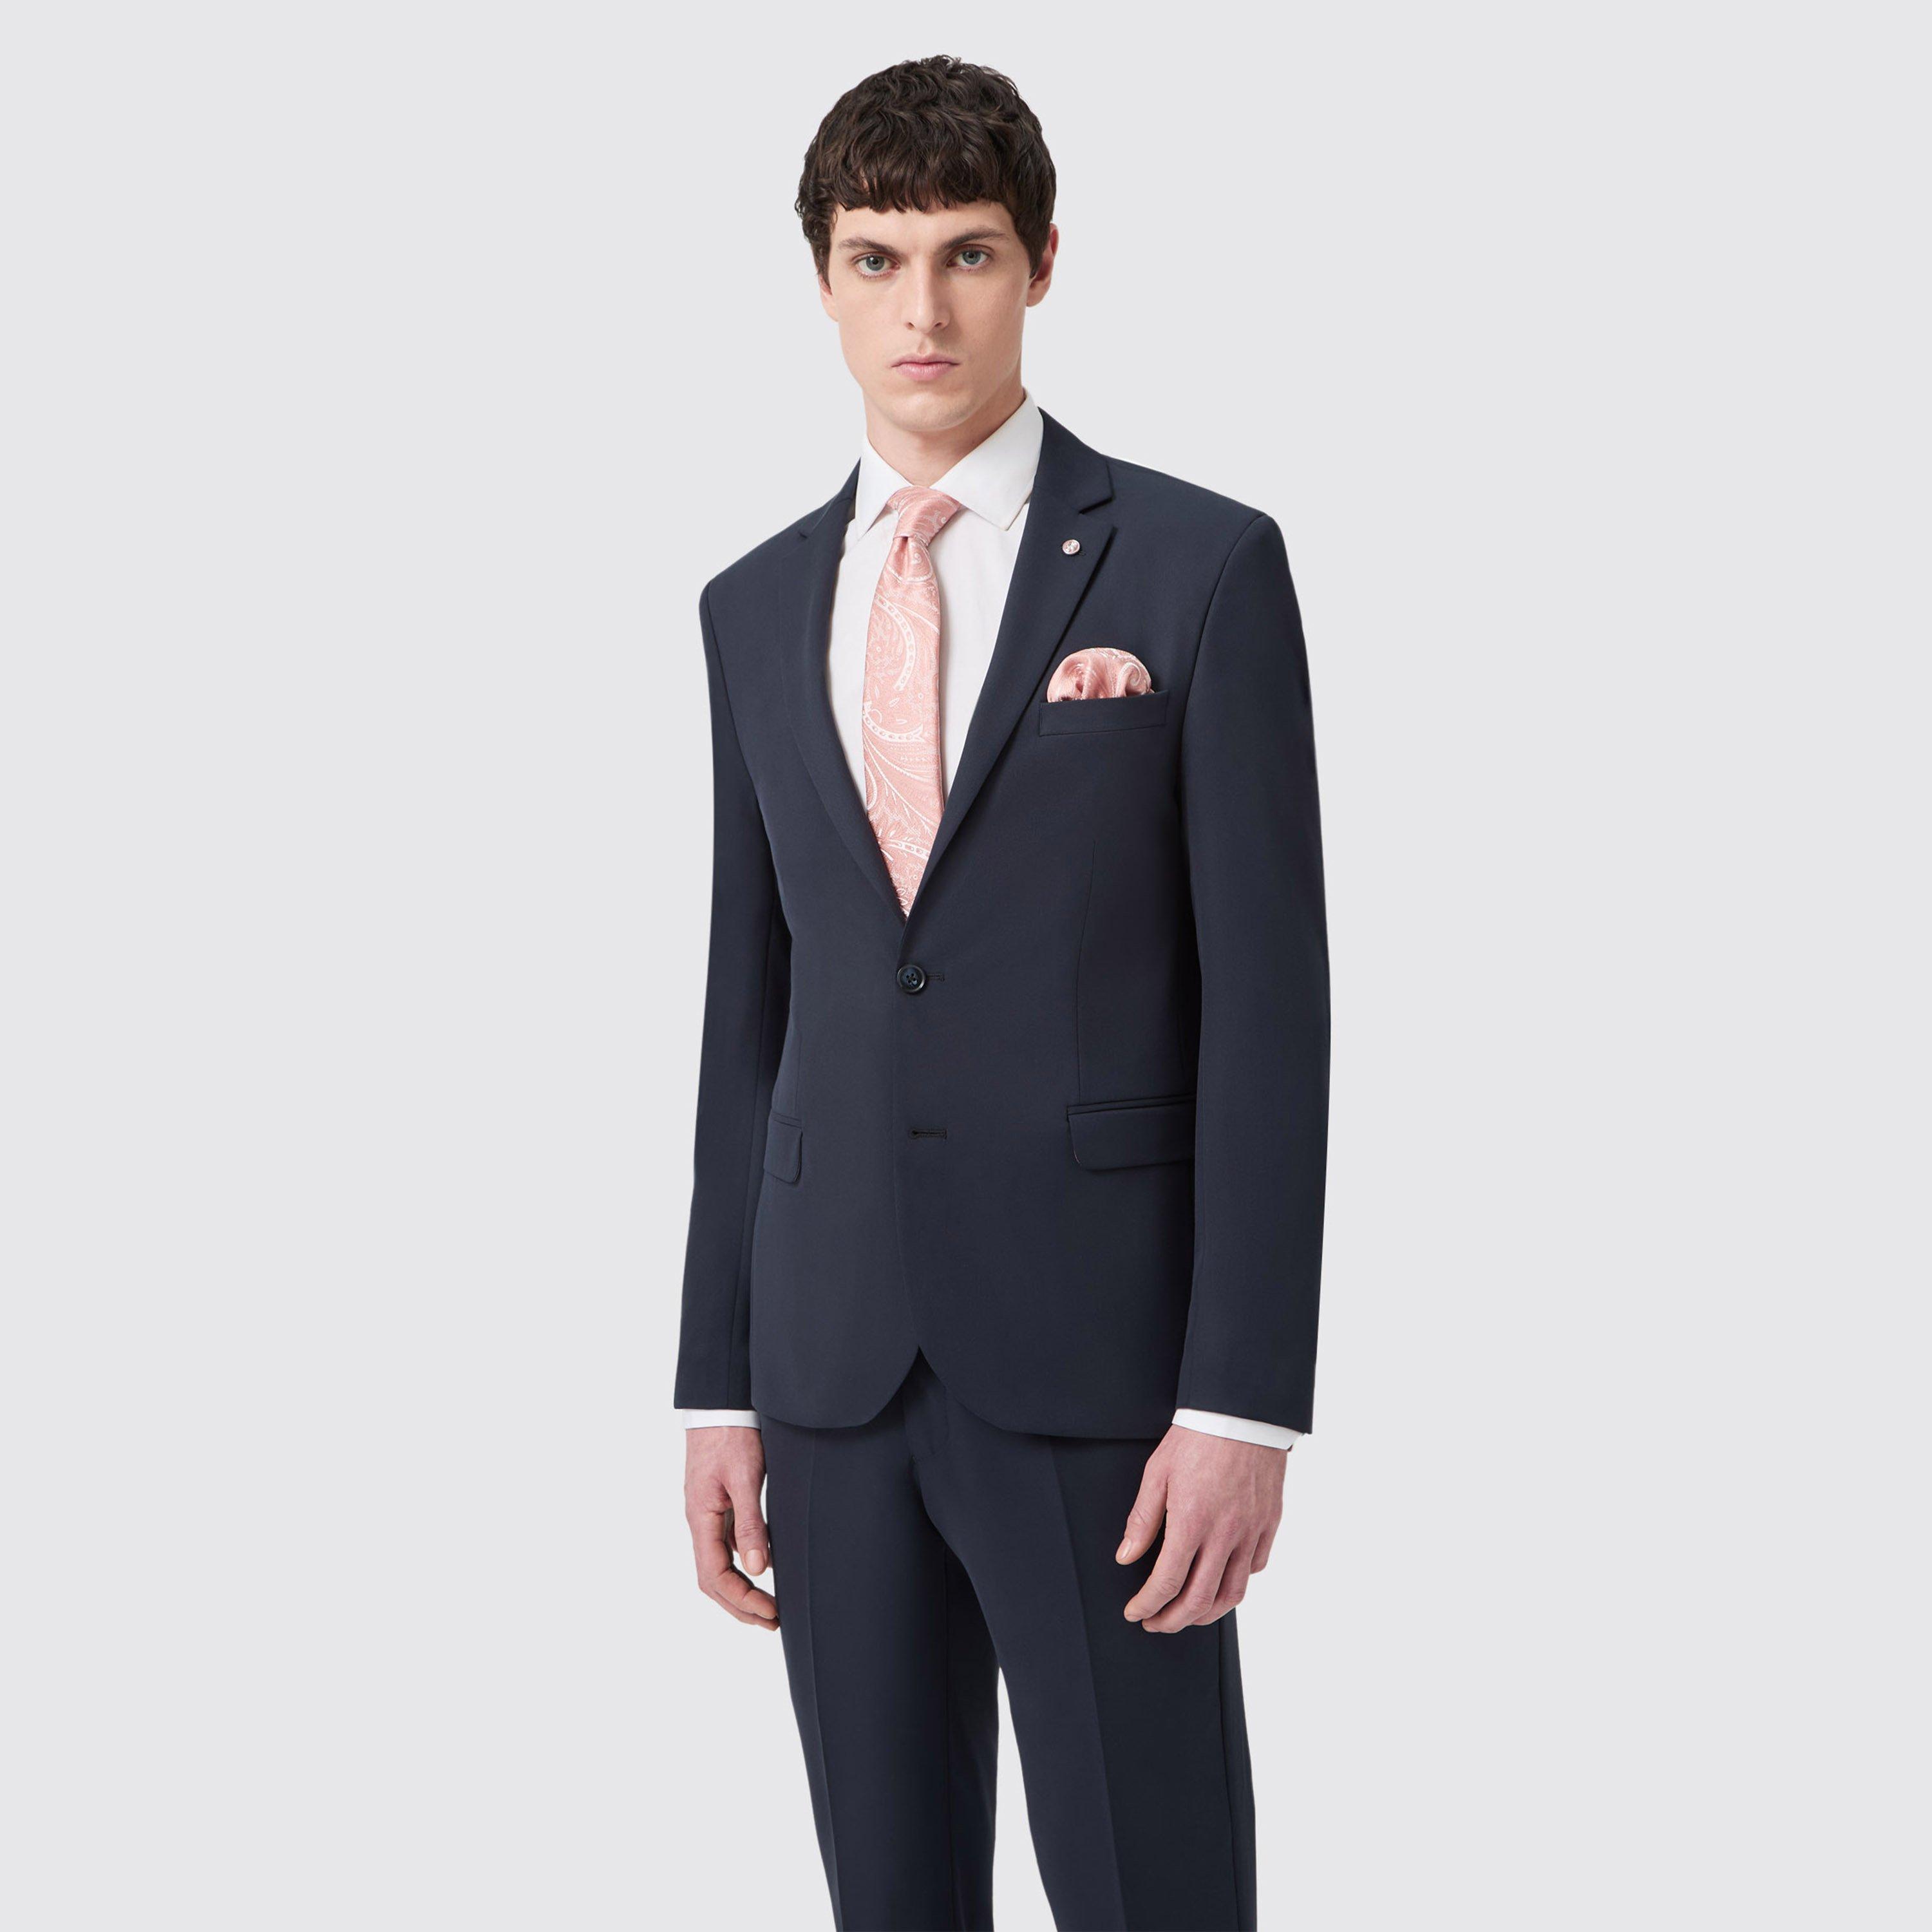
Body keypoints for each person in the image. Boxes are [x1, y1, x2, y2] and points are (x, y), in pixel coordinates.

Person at [674, 54, 1328, 1931]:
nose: (924, 310)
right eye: (876, 260)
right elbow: (749, 1014)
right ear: (822, 279)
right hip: (829, 1369)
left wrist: (1243, 1402)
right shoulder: (748, 605)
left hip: (1103, 1370)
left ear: (1041, 262)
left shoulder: (1202, 567)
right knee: (889, 1897)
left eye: (967, 253)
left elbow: (1273, 1008)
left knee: (1152, 1886)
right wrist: (717, 1381)